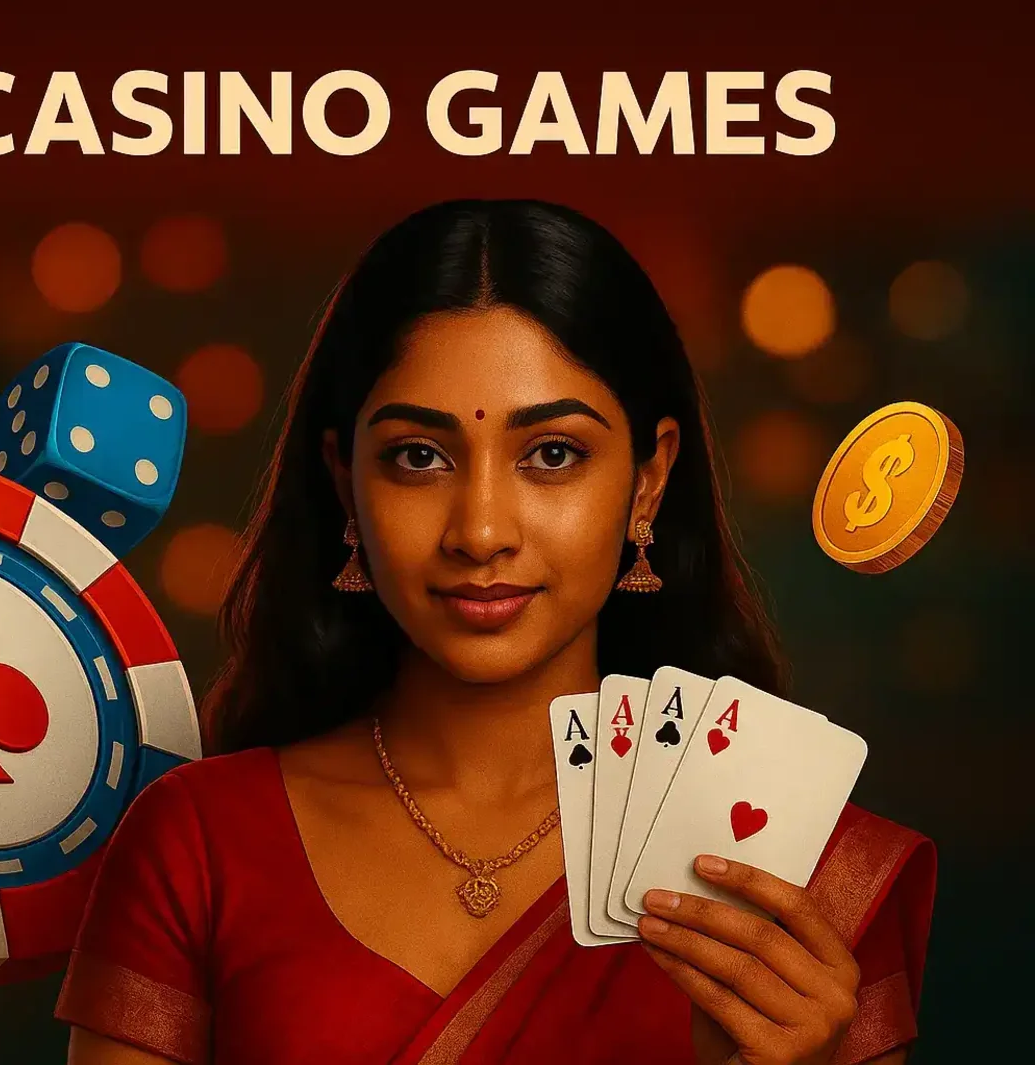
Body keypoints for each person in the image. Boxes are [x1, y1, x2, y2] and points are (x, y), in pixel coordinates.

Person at [54, 200, 935, 1064]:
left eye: (552, 454)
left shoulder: (802, 874)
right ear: (345, 481)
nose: (479, 531)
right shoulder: (197, 843)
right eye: (418, 456)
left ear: (649, 480)